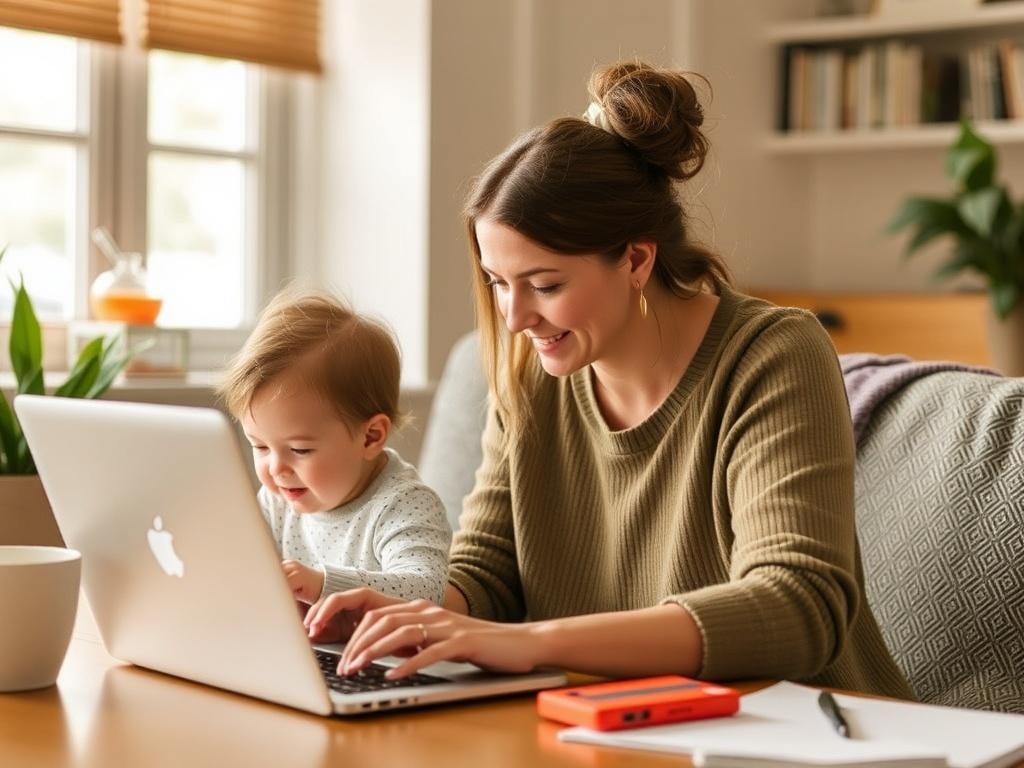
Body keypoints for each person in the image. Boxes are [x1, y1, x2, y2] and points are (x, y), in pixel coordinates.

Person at [303, 61, 913, 699]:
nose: (515, 319)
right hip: (607, 720)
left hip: (808, 729)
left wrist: (531, 642)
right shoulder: (528, 374)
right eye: (497, 283)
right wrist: (378, 609)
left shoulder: (771, 355)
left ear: (636, 259)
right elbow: (489, 573)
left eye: (545, 285)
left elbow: (796, 607)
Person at [218, 288, 451, 605]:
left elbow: (425, 590)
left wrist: (323, 585)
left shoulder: (405, 504)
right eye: (259, 447)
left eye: (300, 450)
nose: (276, 469)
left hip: (378, 653)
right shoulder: (277, 500)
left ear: (370, 437)